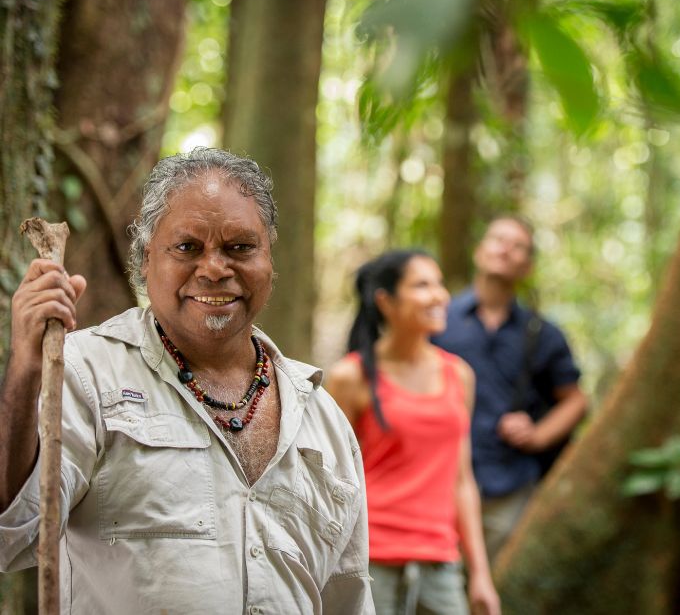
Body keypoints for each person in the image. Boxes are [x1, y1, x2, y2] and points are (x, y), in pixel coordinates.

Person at [0, 148, 374, 614]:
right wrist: (25, 369)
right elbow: (12, 534)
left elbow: (348, 597)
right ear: (144, 260)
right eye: (187, 247)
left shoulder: (322, 416)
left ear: (269, 263)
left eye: (240, 247)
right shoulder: (87, 372)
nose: (215, 269)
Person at [326, 250, 500, 615]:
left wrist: (481, 574)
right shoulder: (350, 377)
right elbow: (331, 483)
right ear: (385, 301)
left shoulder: (459, 375)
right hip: (371, 563)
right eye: (422, 285)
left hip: (441, 565)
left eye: (439, 284)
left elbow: (462, 480)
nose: (439, 296)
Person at [433, 216, 587, 562]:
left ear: (527, 266)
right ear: (479, 251)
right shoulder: (439, 318)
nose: (505, 248)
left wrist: (538, 434)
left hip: (509, 487)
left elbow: (575, 401)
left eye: (518, 245)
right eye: (498, 239)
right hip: (441, 483)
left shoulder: (542, 333)